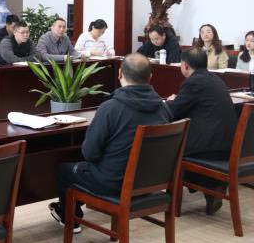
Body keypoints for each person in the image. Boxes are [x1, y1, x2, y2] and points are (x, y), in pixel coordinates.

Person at [49, 53, 171, 232]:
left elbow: (90, 153)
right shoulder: (163, 108)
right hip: (149, 181)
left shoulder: (111, 108)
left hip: (113, 183)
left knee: (65, 170)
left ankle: (70, 218)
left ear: (120, 73)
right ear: (150, 77)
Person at [166, 47, 237, 214]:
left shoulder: (193, 82)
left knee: (170, 148)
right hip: (228, 145)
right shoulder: (215, 79)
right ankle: (213, 187)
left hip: (209, 147)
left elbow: (173, 112)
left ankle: (206, 186)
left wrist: (170, 101)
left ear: (185, 65)